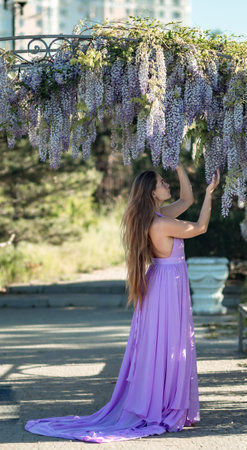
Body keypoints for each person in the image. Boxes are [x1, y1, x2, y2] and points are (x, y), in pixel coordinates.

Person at [25, 164, 220, 443]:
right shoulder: (160, 223)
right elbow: (200, 227)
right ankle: (162, 407)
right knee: (168, 346)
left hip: (162, 284)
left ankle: (162, 402)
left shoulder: (154, 216)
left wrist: (178, 167)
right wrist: (211, 193)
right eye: (162, 183)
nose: (167, 186)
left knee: (163, 346)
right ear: (152, 192)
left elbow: (187, 200)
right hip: (166, 287)